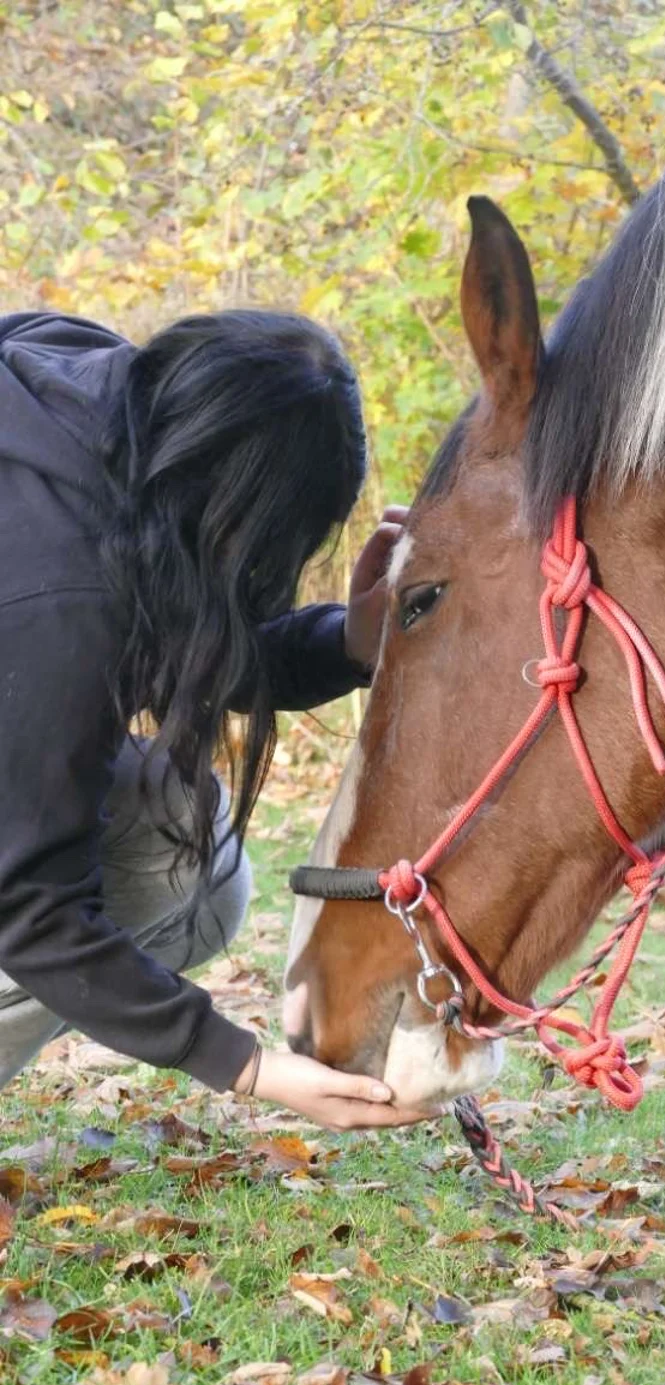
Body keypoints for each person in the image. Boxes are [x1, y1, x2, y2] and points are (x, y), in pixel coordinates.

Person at [0, 308, 431, 1130]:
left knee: (183, 838)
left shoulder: (81, 379)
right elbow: (30, 911)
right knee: (182, 873)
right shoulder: (59, 609)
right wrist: (245, 1065)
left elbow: (185, 621)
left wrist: (348, 640)